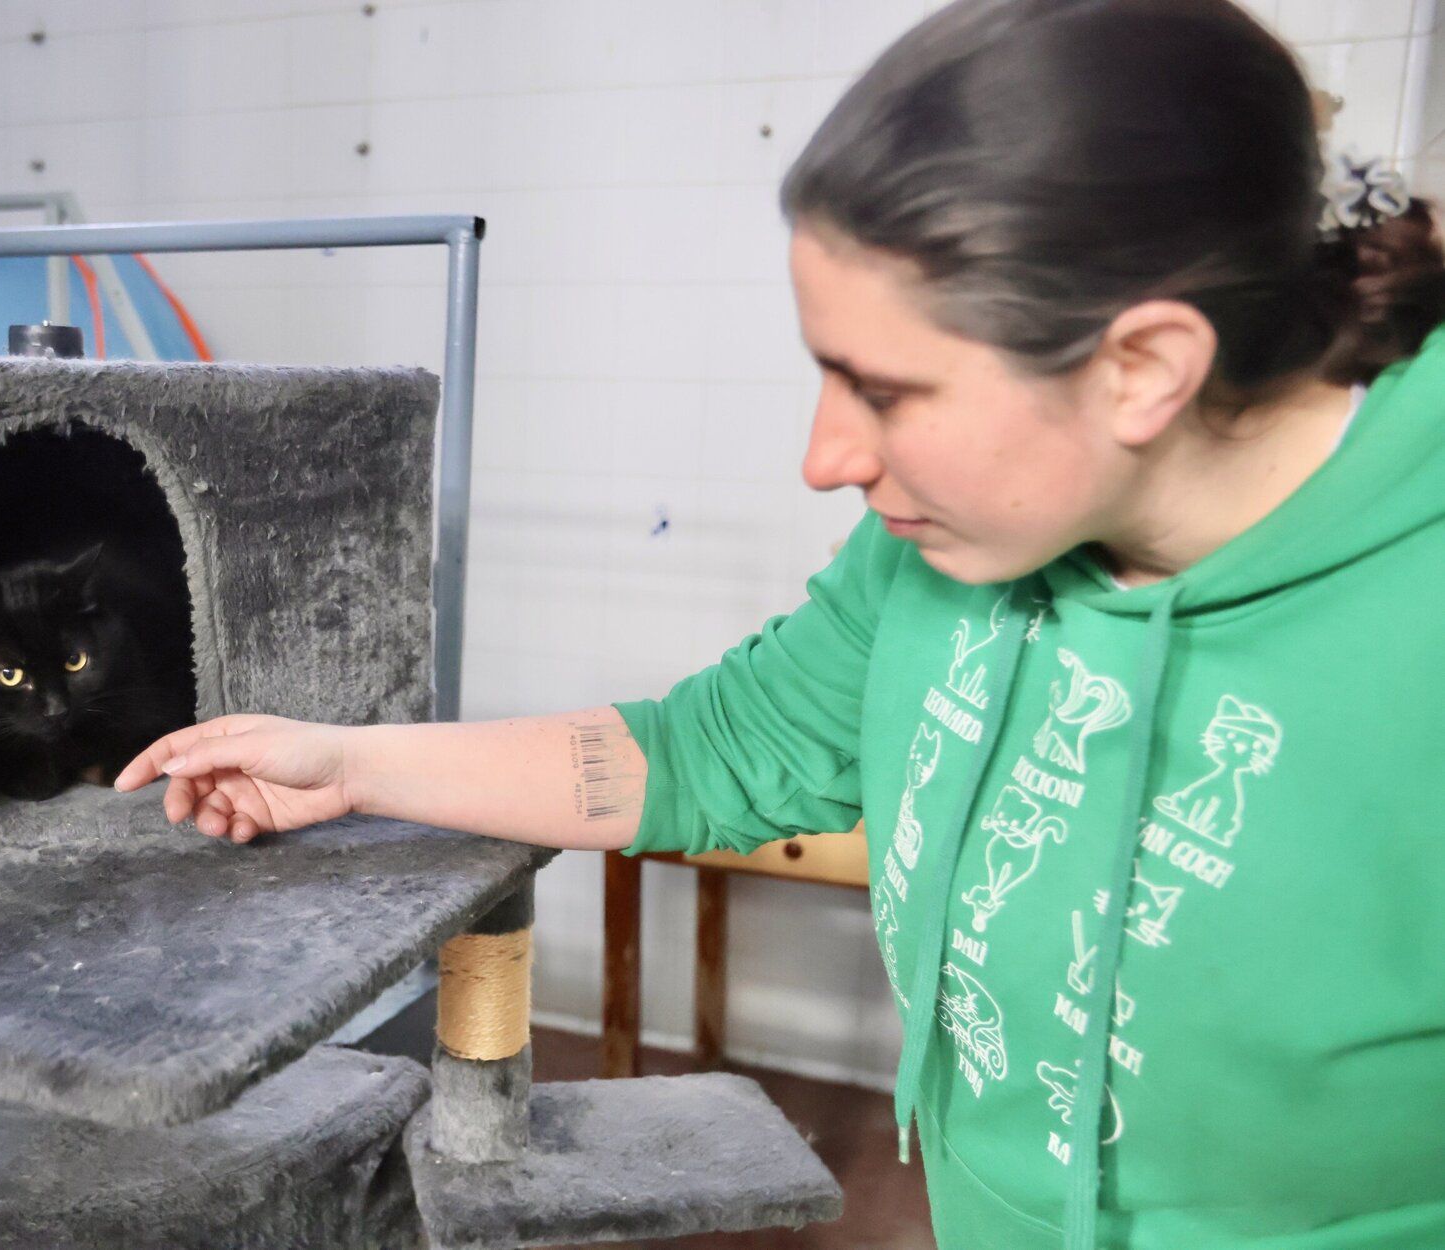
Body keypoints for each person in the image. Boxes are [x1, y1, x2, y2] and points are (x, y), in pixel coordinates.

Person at [116, 1, 1445, 1244]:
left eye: (889, 391)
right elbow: (709, 747)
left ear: (1144, 367)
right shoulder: (944, 543)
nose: (826, 459)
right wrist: (352, 765)